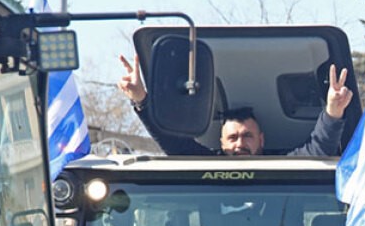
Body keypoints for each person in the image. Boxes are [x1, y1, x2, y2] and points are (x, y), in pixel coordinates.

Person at [117, 55, 352, 156]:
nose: (240, 143)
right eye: (232, 138)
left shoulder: (285, 168)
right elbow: (173, 144)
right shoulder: (206, 169)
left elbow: (319, 149)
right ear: (220, 143)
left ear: (262, 140)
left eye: (247, 136)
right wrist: (141, 99)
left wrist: (333, 110)